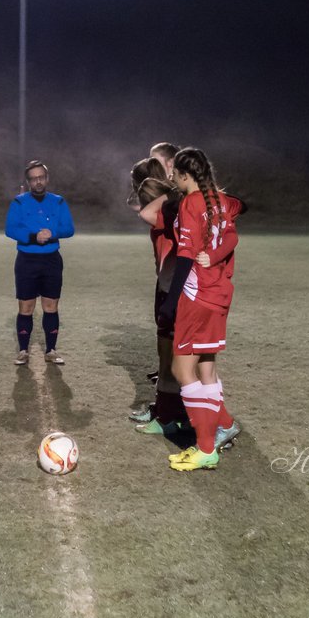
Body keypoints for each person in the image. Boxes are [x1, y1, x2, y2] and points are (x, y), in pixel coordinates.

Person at [157, 147, 245, 472]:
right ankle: (224, 425)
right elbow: (233, 234)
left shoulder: (191, 204)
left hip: (197, 297)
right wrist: (219, 254)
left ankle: (206, 447)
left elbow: (185, 256)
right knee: (206, 369)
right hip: (220, 295)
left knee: (183, 371)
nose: (172, 179)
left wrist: (170, 300)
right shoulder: (222, 201)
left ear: (184, 174)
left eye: (175, 174)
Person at [133, 161, 186, 433]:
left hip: (174, 293)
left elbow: (146, 212)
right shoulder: (169, 215)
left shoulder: (167, 217)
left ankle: (172, 417)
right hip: (167, 289)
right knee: (167, 358)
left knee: (173, 359)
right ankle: (166, 413)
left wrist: (174, 191)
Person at [5, 159, 75, 365]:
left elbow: (69, 228)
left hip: (52, 260)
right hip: (27, 260)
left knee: (50, 306)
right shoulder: (18, 202)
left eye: (41, 177)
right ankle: (23, 350)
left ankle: (51, 350)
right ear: (28, 182)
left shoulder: (59, 201)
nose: (38, 182)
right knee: (25, 307)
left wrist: (52, 233)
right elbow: (10, 229)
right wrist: (34, 236)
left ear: (47, 179)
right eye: (34, 178)